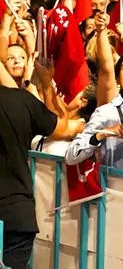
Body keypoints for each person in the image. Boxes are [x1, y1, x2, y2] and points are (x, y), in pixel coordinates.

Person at [0, 82, 82, 268]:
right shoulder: (20, 100)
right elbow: (62, 129)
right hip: (16, 213)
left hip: (16, 215)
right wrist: (82, 127)